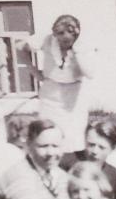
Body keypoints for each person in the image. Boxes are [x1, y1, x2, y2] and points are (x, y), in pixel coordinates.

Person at [16, 14, 96, 153]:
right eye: (60, 35)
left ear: (76, 34)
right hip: (50, 93)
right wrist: (34, 71)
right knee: (48, 133)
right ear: (55, 34)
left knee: (74, 138)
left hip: (74, 95)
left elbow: (89, 73)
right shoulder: (47, 40)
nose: (64, 39)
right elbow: (19, 46)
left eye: (69, 36)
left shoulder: (84, 46)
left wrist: (77, 53)